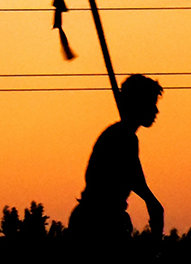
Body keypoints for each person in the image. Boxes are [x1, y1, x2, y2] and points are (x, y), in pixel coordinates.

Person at [69, 75, 165, 239]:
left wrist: (151, 202)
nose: (156, 110)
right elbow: (131, 178)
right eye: (151, 103)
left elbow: (134, 178)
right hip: (98, 221)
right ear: (138, 104)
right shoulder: (120, 137)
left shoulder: (124, 137)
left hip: (100, 217)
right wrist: (152, 202)